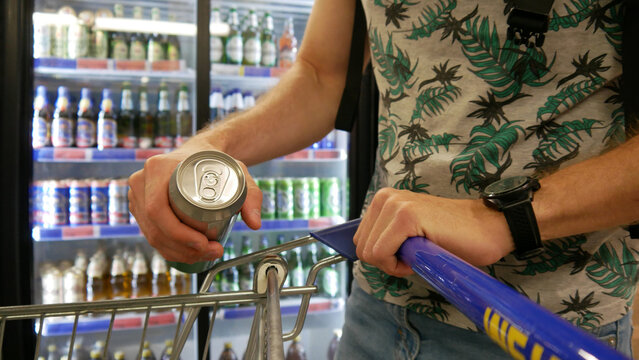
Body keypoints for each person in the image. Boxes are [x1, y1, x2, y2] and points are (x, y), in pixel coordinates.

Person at [128, 0, 639, 358]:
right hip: (377, 307)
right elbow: (322, 74)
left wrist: (503, 219)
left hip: (548, 323)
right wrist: (207, 151)